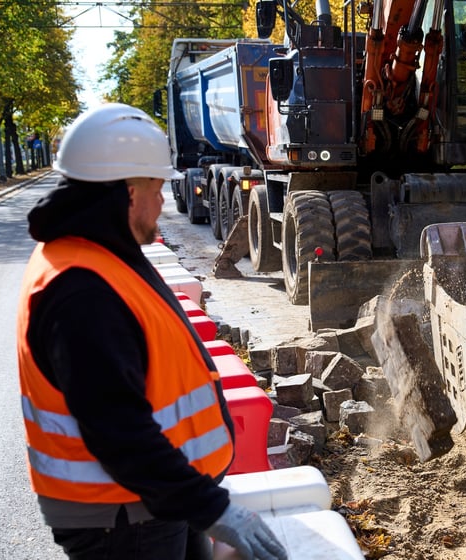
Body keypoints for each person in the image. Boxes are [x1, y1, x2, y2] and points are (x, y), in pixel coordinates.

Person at [16, 103, 288, 560]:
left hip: (154, 499)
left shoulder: (97, 254)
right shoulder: (81, 292)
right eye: (157, 187)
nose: (164, 202)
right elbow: (117, 430)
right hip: (121, 517)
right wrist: (212, 507)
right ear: (124, 193)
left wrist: (198, 501)